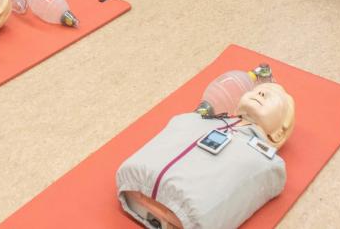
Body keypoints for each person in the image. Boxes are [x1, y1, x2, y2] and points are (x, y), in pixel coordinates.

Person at [117, 79, 295, 229]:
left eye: (271, 97)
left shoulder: (267, 164)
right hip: (134, 183)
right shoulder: (196, 120)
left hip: (182, 213)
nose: (260, 94)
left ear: (279, 133)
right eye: (257, 91)